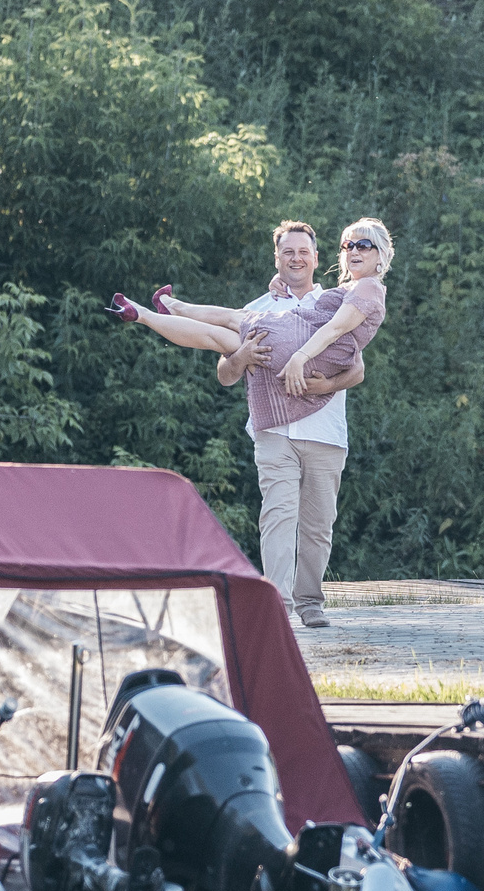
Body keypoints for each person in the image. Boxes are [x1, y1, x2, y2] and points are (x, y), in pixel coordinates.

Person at [108, 220, 378, 628]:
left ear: (317, 258)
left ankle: (310, 602)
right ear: (277, 258)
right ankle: (280, 606)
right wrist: (244, 358)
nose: (296, 258)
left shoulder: (339, 297)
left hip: (324, 430)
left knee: (319, 524)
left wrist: (324, 383)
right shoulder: (262, 305)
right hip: (272, 431)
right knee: (277, 514)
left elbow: (357, 370)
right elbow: (225, 372)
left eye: (303, 251)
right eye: (288, 252)